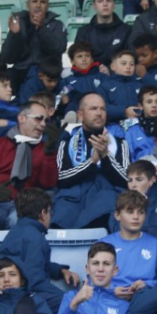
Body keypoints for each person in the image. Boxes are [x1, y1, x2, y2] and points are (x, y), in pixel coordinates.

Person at [0, 101, 57, 231]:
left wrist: (50, 154)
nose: (43, 124)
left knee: (16, 222)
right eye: (38, 118)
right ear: (21, 118)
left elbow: (48, 184)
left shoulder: (46, 148)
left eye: (46, 120)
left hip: (28, 204)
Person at [54, 93, 131, 229]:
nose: (99, 113)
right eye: (93, 109)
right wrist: (91, 162)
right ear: (81, 114)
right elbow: (61, 178)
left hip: (105, 205)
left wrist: (105, 156)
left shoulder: (120, 143)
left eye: (103, 109)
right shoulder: (66, 143)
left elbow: (127, 180)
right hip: (72, 202)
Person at [1, 0, 67, 90]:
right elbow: (7, 58)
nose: (38, 5)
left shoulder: (57, 25)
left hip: (46, 72)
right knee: (0, 80)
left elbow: (59, 48)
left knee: (33, 76)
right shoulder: (19, 23)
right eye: (35, 1)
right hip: (20, 71)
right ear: (28, 5)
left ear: (48, 6)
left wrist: (42, 29)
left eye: (42, 2)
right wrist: (14, 35)